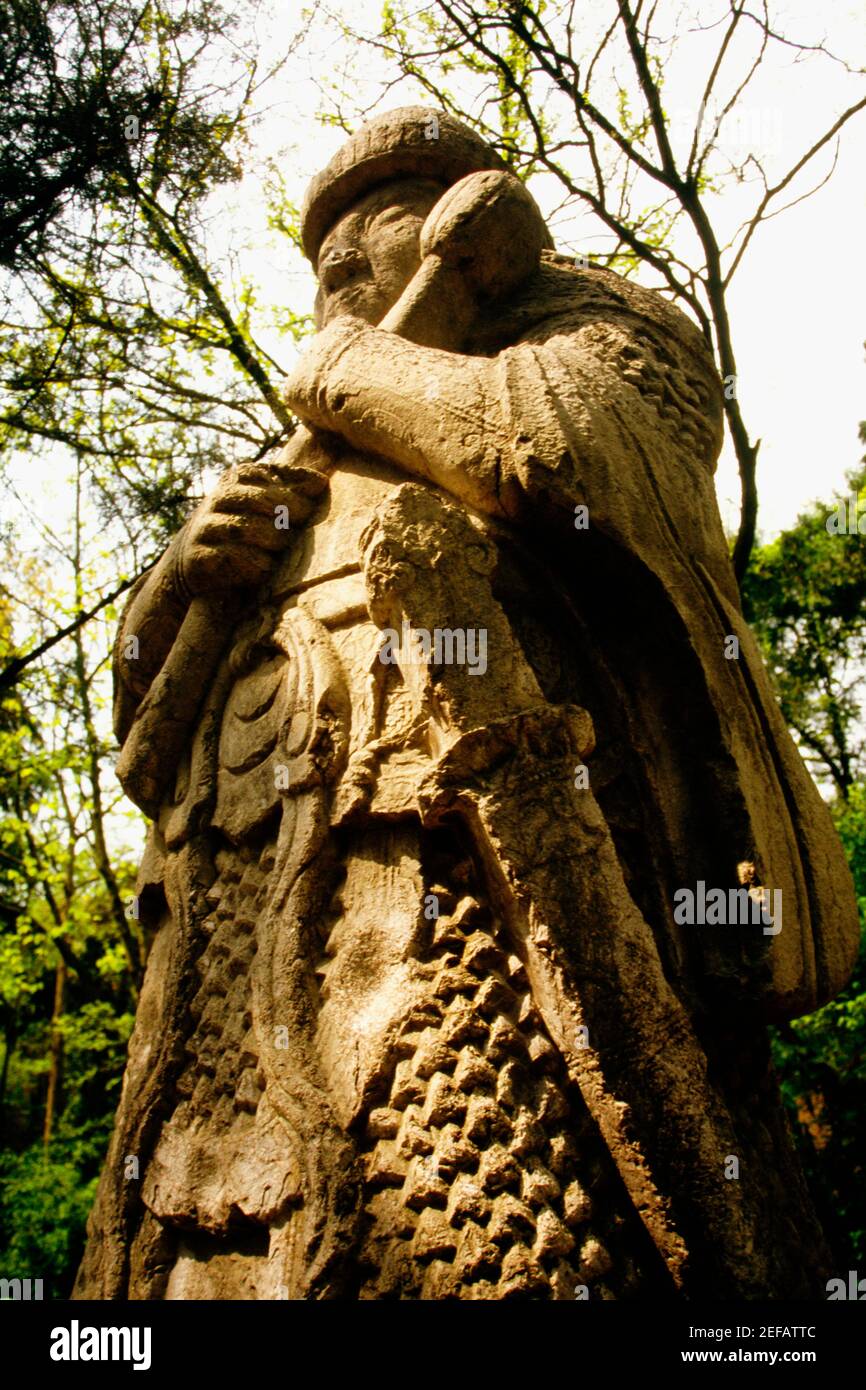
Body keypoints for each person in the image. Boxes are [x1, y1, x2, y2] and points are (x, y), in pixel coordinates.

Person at [75, 107, 858, 1301]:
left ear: (454, 221)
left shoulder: (593, 331)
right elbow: (142, 731)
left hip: (476, 840)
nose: (340, 279)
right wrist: (183, 572)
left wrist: (349, 371)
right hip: (239, 888)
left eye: (372, 239)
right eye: (322, 266)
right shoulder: (290, 456)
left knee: (500, 1185)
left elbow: (556, 450)